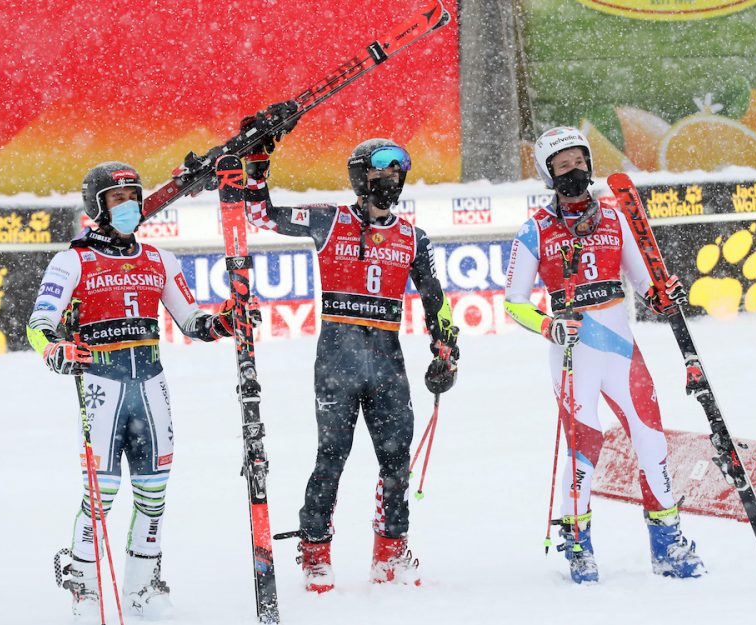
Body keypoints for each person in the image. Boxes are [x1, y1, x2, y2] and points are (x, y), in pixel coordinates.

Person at [28, 162, 251, 619]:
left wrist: (225, 322)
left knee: (153, 493)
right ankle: (84, 590)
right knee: (102, 494)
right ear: (97, 206)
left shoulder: (159, 260)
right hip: (102, 385)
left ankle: (143, 588)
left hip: (151, 386)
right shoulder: (73, 259)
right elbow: (38, 325)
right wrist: (55, 350)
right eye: (116, 198)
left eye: (133, 196)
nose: (128, 205)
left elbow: (193, 322)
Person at [242, 136, 460, 592]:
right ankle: (316, 552)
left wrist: (446, 347)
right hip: (338, 356)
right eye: (380, 174)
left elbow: (435, 299)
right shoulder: (329, 220)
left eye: (396, 174)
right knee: (332, 456)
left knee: (397, 459)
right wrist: (258, 169)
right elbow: (260, 215)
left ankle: (390, 552)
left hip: (386, 356)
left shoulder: (413, 238)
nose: (390, 182)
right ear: (361, 177)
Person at [503, 126, 705, 584]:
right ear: (548, 174)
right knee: (584, 449)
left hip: (621, 349)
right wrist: (547, 324)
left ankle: (667, 542)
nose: (573, 171)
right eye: (562, 165)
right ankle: (578, 544)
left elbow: (643, 280)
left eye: (579, 161)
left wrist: (661, 295)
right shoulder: (535, 228)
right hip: (573, 352)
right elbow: (513, 301)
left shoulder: (615, 216)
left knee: (652, 440)